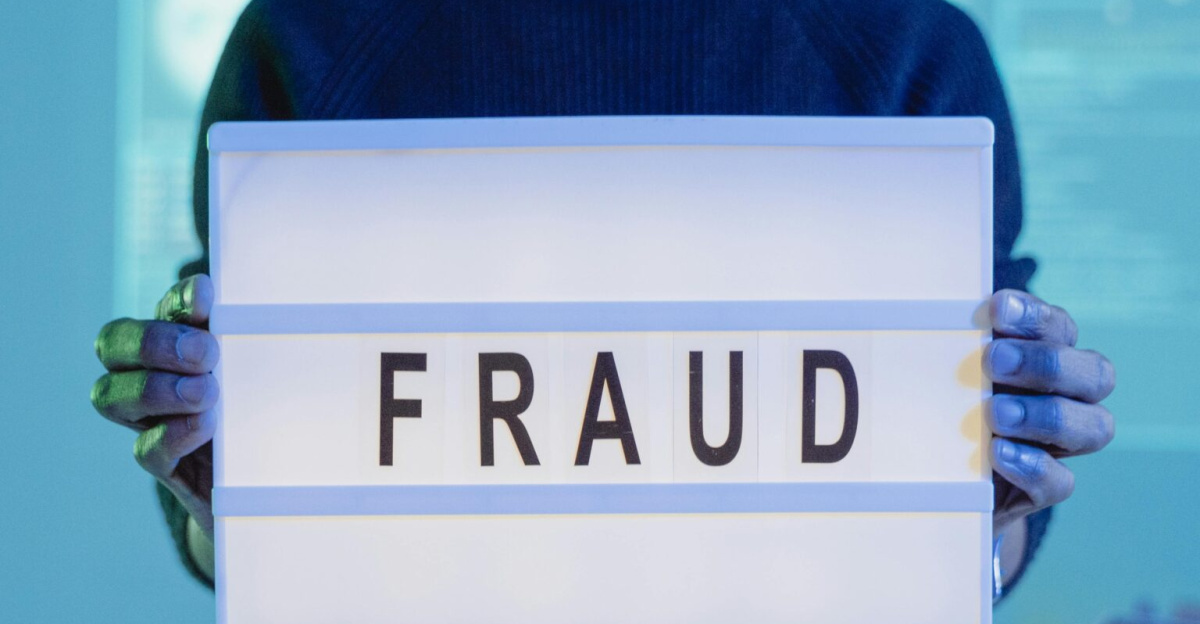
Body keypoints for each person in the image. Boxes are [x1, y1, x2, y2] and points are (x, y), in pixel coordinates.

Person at [91, 0, 1116, 604]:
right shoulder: (311, 39)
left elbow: (987, 527)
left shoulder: (901, 46)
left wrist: (974, 509)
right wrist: (240, 502)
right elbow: (232, 496)